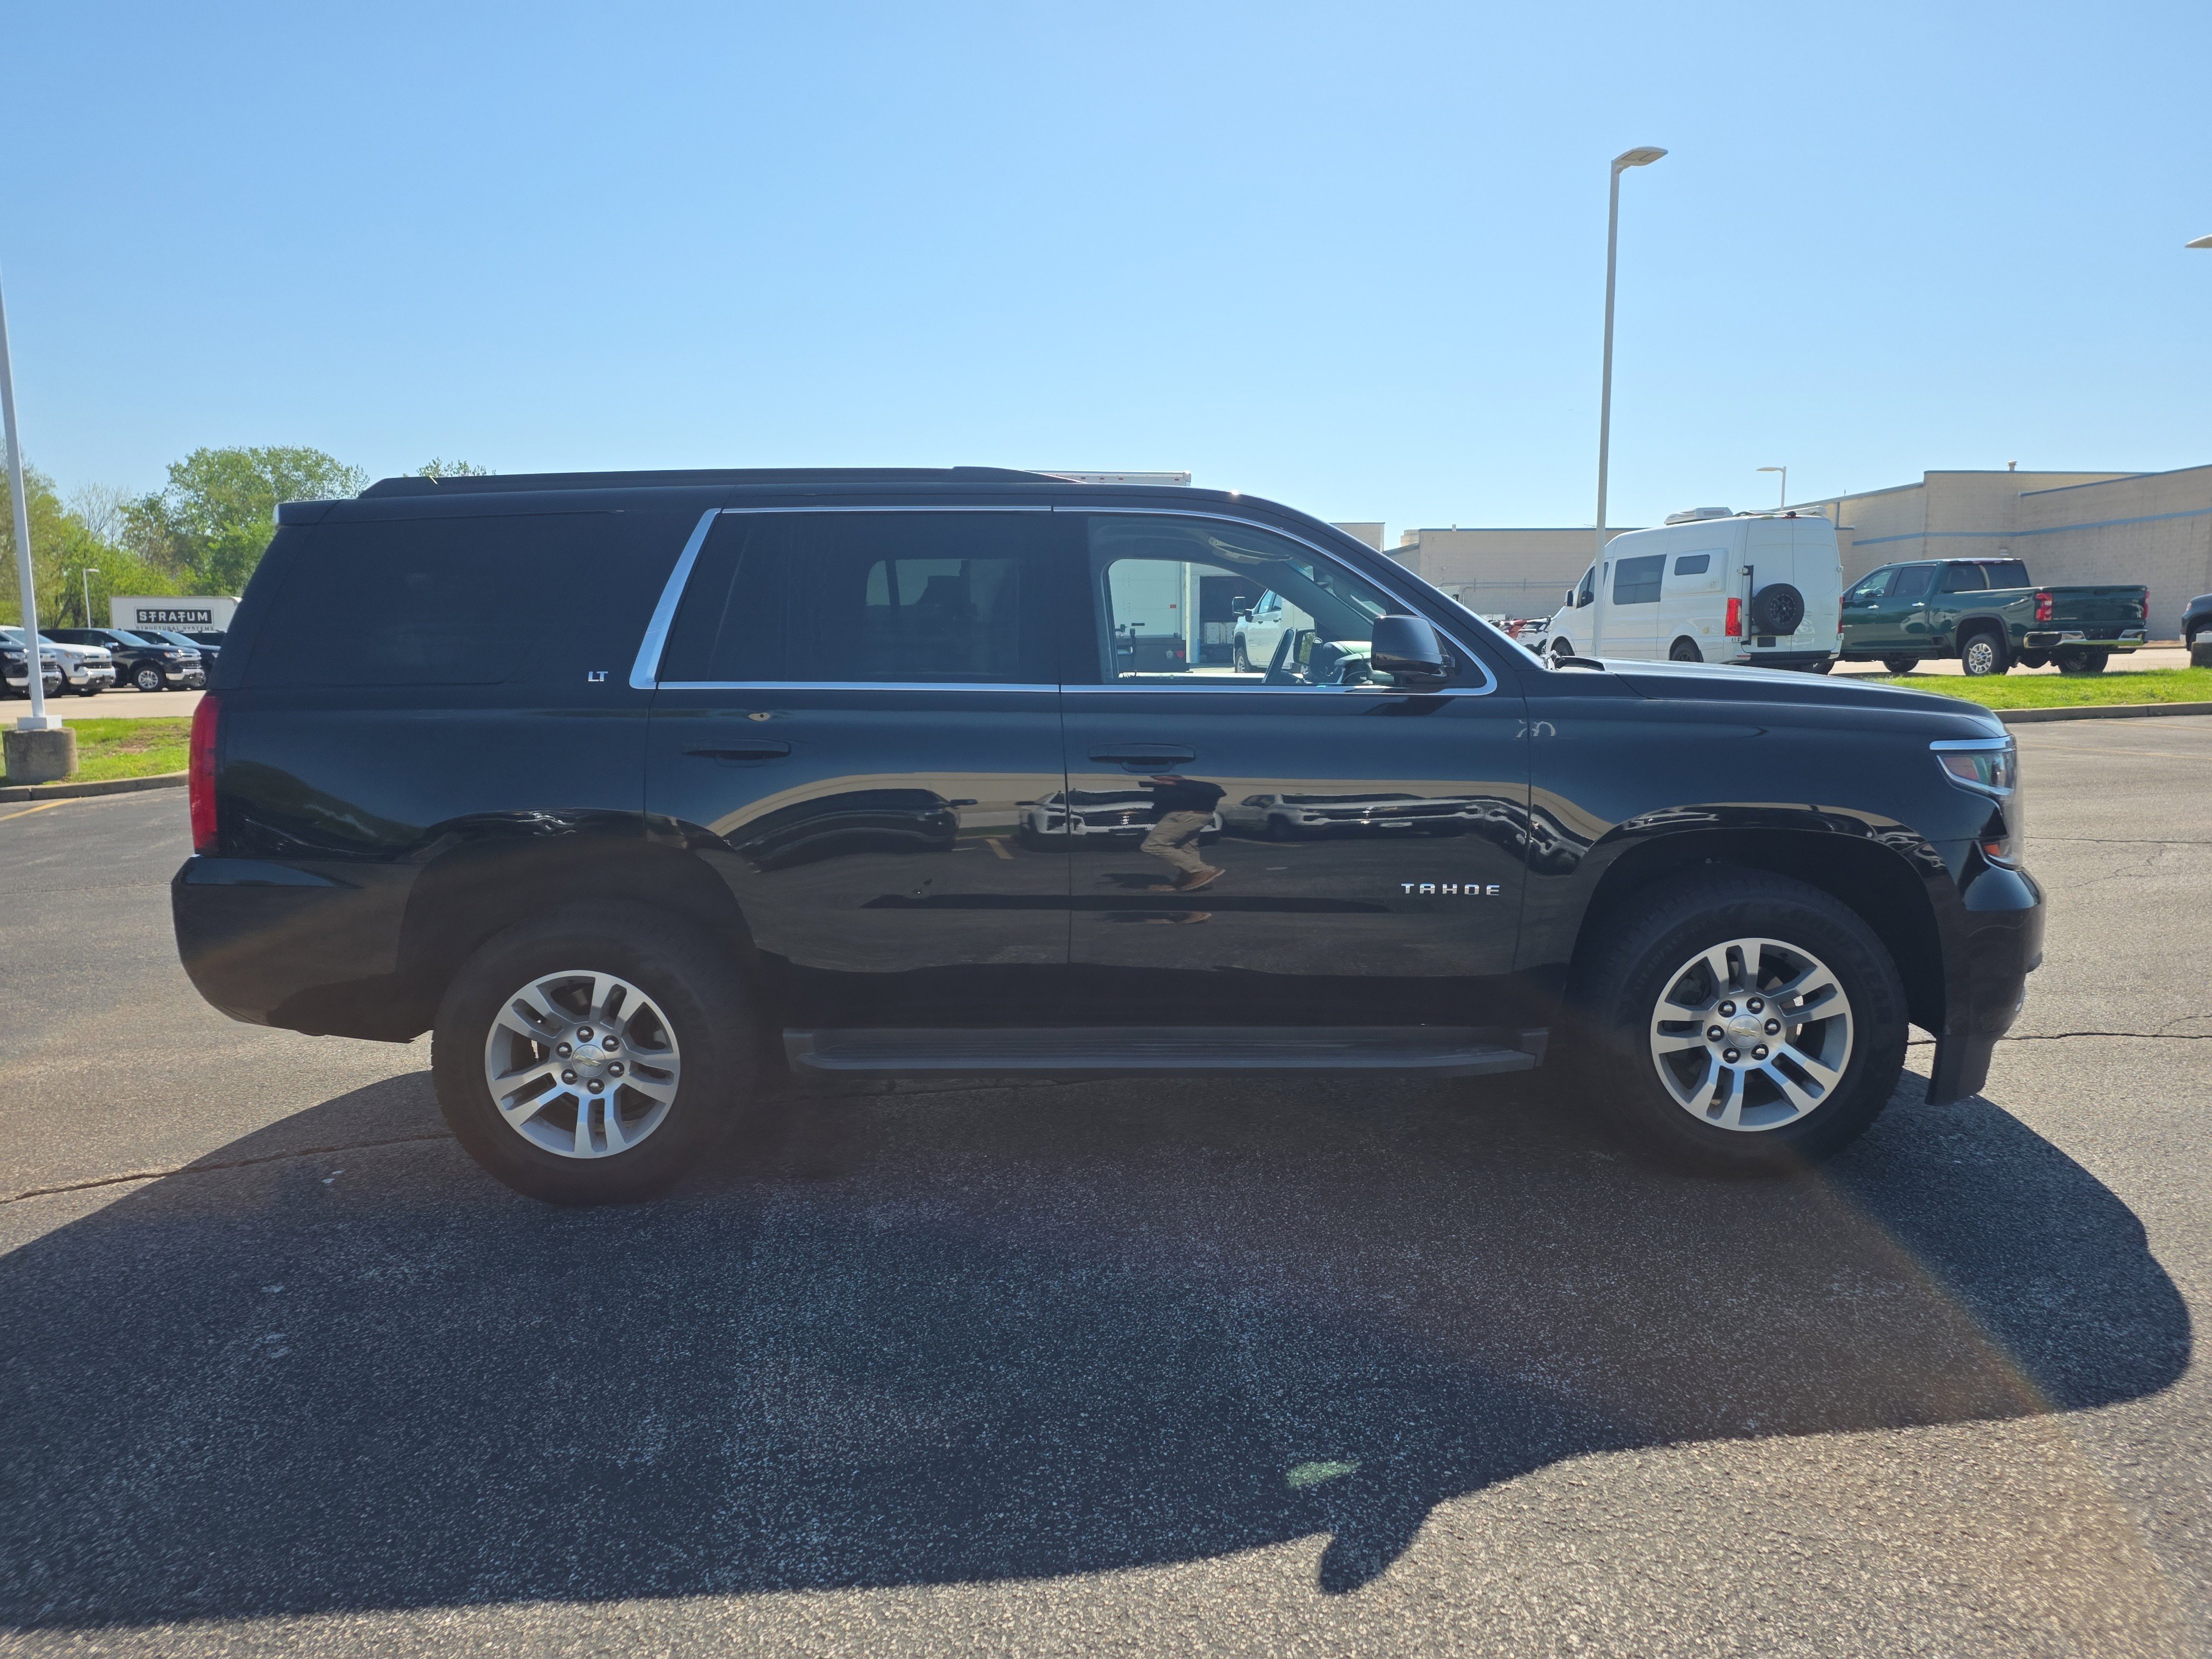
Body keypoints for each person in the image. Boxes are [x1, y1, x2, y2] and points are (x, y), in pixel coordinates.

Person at [1137, 774, 1226, 892]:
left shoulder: (1193, 786)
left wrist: (1178, 783)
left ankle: (1201, 870)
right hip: (1186, 818)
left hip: (1185, 817)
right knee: (1187, 847)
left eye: (1165, 779)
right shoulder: (1168, 791)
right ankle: (1187, 880)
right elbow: (1159, 808)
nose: (1161, 782)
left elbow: (1219, 791)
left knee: (1152, 845)